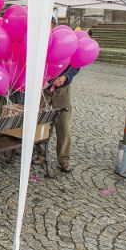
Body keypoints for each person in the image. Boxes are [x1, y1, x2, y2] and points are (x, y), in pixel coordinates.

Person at [35, 16, 80, 173]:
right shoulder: (39, 42)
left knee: (63, 125)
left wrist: (66, 76)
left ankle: (64, 159)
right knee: (41, 123)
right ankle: (40, 155)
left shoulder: (66, 40)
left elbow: (77, 63)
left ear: (55, 26)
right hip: (43, 89)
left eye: (50, 27)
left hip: (62, 90)